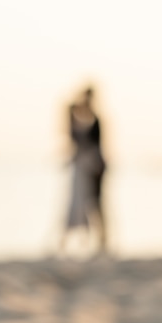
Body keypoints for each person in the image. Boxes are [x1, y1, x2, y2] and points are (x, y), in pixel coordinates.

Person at [61, 86, 107, 252]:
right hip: (85, 166)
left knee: (93, 202)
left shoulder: (94, 120)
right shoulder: (85, 121)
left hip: (92, 166)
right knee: (82, 202)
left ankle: (102, 239)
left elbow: (95, 145)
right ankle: (96, 239)